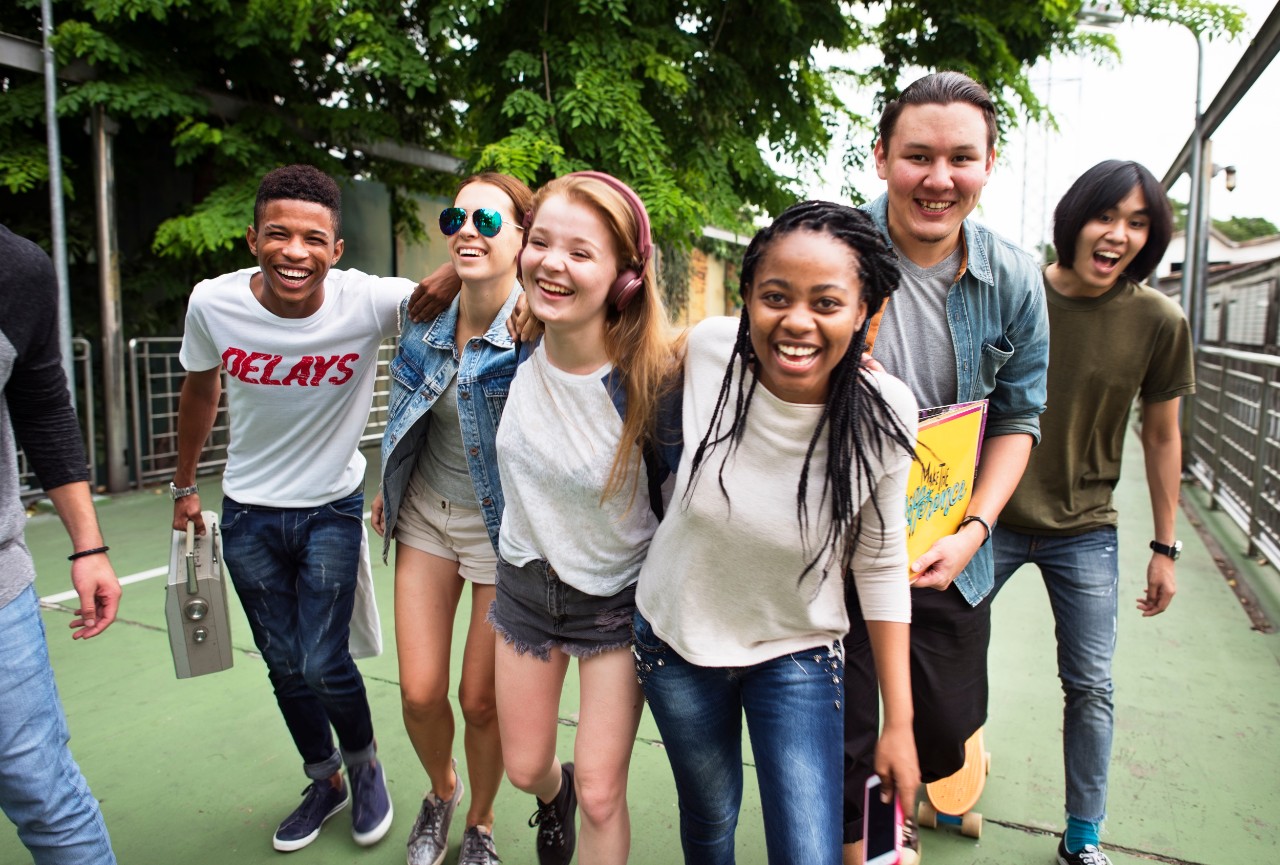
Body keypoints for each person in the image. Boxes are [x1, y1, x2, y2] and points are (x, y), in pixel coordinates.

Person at [634, 200, 920, 864]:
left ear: (863, 314)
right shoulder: (710, 350)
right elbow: (609, 333)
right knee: (710, 817)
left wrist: (899, 722)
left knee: (810, 850)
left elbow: (879, 562)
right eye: (775, 297)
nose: (796, 320)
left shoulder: (886, 413)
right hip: (678, 639)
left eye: (826, 302)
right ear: (748, 302)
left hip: (796, 644)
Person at [171, 164, 434, 853]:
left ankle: (364, 762)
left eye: (314, 238)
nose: (295, 251)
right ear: (253, 236)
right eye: (279, 234)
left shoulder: (369, 301)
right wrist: (182, 485)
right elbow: (201, 391)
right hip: (248, 513)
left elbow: (454, 297)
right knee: (284, 663)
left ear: (337, 249)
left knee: (322, 660)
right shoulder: (213, 302)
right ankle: (325, 780)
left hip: (330, 507)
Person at [843, 70, 1051, 863]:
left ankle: (909, 791)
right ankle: (873, 837)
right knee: (847, 727)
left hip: (945, 549)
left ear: (989, 162)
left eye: (961, 158)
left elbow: (1019, 416)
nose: (939, 179)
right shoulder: (834, 246)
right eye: (917, 156)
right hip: (836, 534)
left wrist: (973, 529)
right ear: (881, 156)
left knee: (939, 731)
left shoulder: (1013, 279)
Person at [991, 160, 1192, 865]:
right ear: (1075, 219)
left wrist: (1165, 547)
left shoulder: (1159, 321)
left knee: (1091, 684)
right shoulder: (1017, 293)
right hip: (990, 517)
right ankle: (914, 791)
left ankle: (1083, 835)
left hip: (1085, 529)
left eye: (1139, 224)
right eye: (1108, 216)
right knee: (929, 654)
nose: (1119, 235)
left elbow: (1163, 435)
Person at [490, 171, 671, 865]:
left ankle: (579, 804)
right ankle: (551, 796)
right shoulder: (510, 345)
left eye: (581, 252)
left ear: (626, 276)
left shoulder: (654, 380)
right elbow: (469, 259)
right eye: (540, 243)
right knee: (526, 768)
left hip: (616, 605)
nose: (552, 263)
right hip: (527, 591)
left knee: (601, 793)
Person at [370, 172, 533, 865]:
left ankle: (484, 822)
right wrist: (391, 479)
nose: (468, 229)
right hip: (427, 516)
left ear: (524, 238)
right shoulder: (424, 316)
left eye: (489, 221)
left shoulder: (541, 328)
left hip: (504, 534)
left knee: (481, 700)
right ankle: (442, 790)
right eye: (456, 218)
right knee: (419, 691)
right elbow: (404, 412)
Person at [0, 225, 123, 865]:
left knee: (40, 788)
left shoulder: (15, 269)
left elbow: (42, 405)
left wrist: (88, 547)